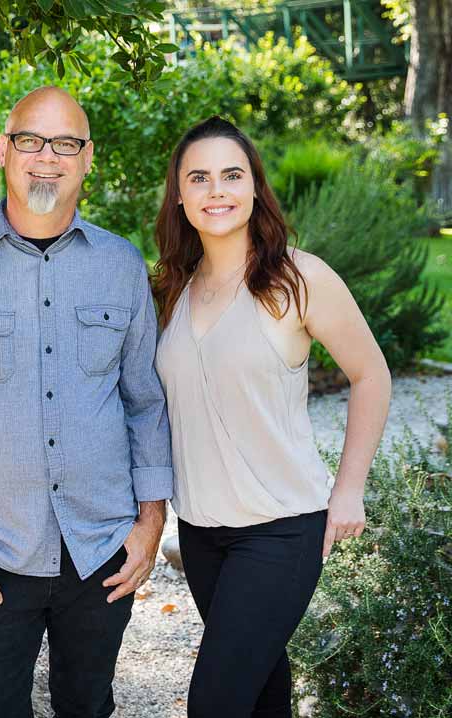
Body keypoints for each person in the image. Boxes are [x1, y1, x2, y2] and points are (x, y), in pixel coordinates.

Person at [0, 86, 173, 718]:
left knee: (88, 706)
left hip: (100, 544)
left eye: (65, 144)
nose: (46, 157)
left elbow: (144, 402)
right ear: (4, 150)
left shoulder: (121, 265)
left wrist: (149, 524)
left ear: (87, 158)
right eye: (30, 140)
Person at [153, 116, 392, 718]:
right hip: (202, 533)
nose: (217, 191)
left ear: (255, 187)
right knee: (261, 691)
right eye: (199, 178)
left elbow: (372, 375)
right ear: (179, 196)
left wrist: (350, 490)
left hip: (281, 530)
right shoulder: (173, 289)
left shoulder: (297, 278)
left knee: (214, 701)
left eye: (232, 175)